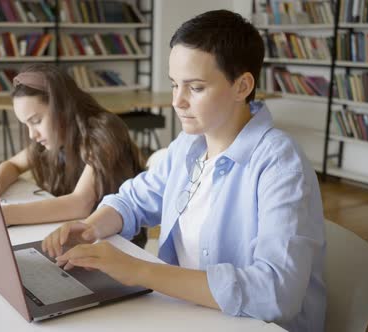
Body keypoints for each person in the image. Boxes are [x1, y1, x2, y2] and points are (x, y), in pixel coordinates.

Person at [42, 10, 326, 332]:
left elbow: (277, 292)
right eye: (175, 84)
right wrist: (90, 227)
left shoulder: (280, 163)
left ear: (242, 86)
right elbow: (135, 199)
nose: (178, 101)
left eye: (196, 88)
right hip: (190, 315)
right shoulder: (187, 146)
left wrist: (138, 271)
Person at [0, 63, 147, 247]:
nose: (32, 134)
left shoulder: (103, 131)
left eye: (36, 121)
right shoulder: (56, 138)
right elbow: (14, 164)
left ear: (62, 108)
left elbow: (80, 203)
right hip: (78, 237)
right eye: (26, 125)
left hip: (118, 245)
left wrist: (1, 214)